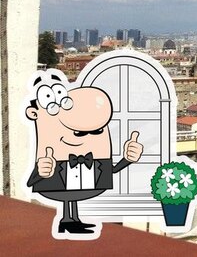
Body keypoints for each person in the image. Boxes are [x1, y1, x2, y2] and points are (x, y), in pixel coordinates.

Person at [25, 69, 144, 238]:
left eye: (97, 132)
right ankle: (67, 220)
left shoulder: (96, 160)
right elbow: (31, 182)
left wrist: (128, 158)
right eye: (79, 132)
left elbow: (113, 170)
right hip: (56, 189)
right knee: (68, 195)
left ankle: (71, 220)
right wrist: (41, 171)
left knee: (71, 197)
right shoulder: (51, 157)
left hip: (82, 184)